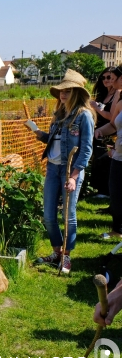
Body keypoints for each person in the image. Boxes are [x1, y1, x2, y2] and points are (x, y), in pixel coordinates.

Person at [30, 69, 95, 274]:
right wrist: (38, 133)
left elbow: (86, 148)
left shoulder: (84, 116)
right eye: (61, 91)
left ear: (76, 92)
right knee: (49, 215)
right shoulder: (59, 115)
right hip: (52, 168)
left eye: (67, 91)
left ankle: (66, 256)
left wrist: (74, 176)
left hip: (70, 171)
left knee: (69, 215)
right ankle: (56, 252)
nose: (63, 95)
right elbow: (54, 140)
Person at [95, 65, 122, 239]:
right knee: (116, 193)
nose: (111, 81)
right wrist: (99, 132)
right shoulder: (120, 99)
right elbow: (113, 124)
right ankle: (117, 230)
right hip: (119, 156)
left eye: (115, 77)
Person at [89, 67, 120, 198]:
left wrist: (97, 108)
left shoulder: (117, 94)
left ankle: (105, 191)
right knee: (98, 159)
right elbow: (113, 122)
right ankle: (101, 190)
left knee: (105, 160)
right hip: (100, 131)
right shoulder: (103, 95)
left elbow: (111, 116)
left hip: (111, 134)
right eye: (105, 77)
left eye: (111, 78)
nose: (107, 80)